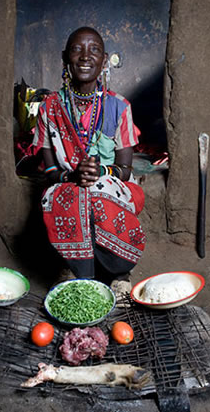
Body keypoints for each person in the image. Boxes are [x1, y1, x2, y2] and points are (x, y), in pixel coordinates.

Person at [32, 27, 145, 293]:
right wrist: (72, 176)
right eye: (76, 49)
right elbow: (49, 171)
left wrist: (99, 172)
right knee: (63, 195)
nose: (85, 56)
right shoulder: (50, 107)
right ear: (65, 58)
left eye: (94, 49)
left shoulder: (119, 106)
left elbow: (126, 170)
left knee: (98, 189)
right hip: (68, 184)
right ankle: (74, 270)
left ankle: (119, 272)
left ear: (104, 60)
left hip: (110, 184)